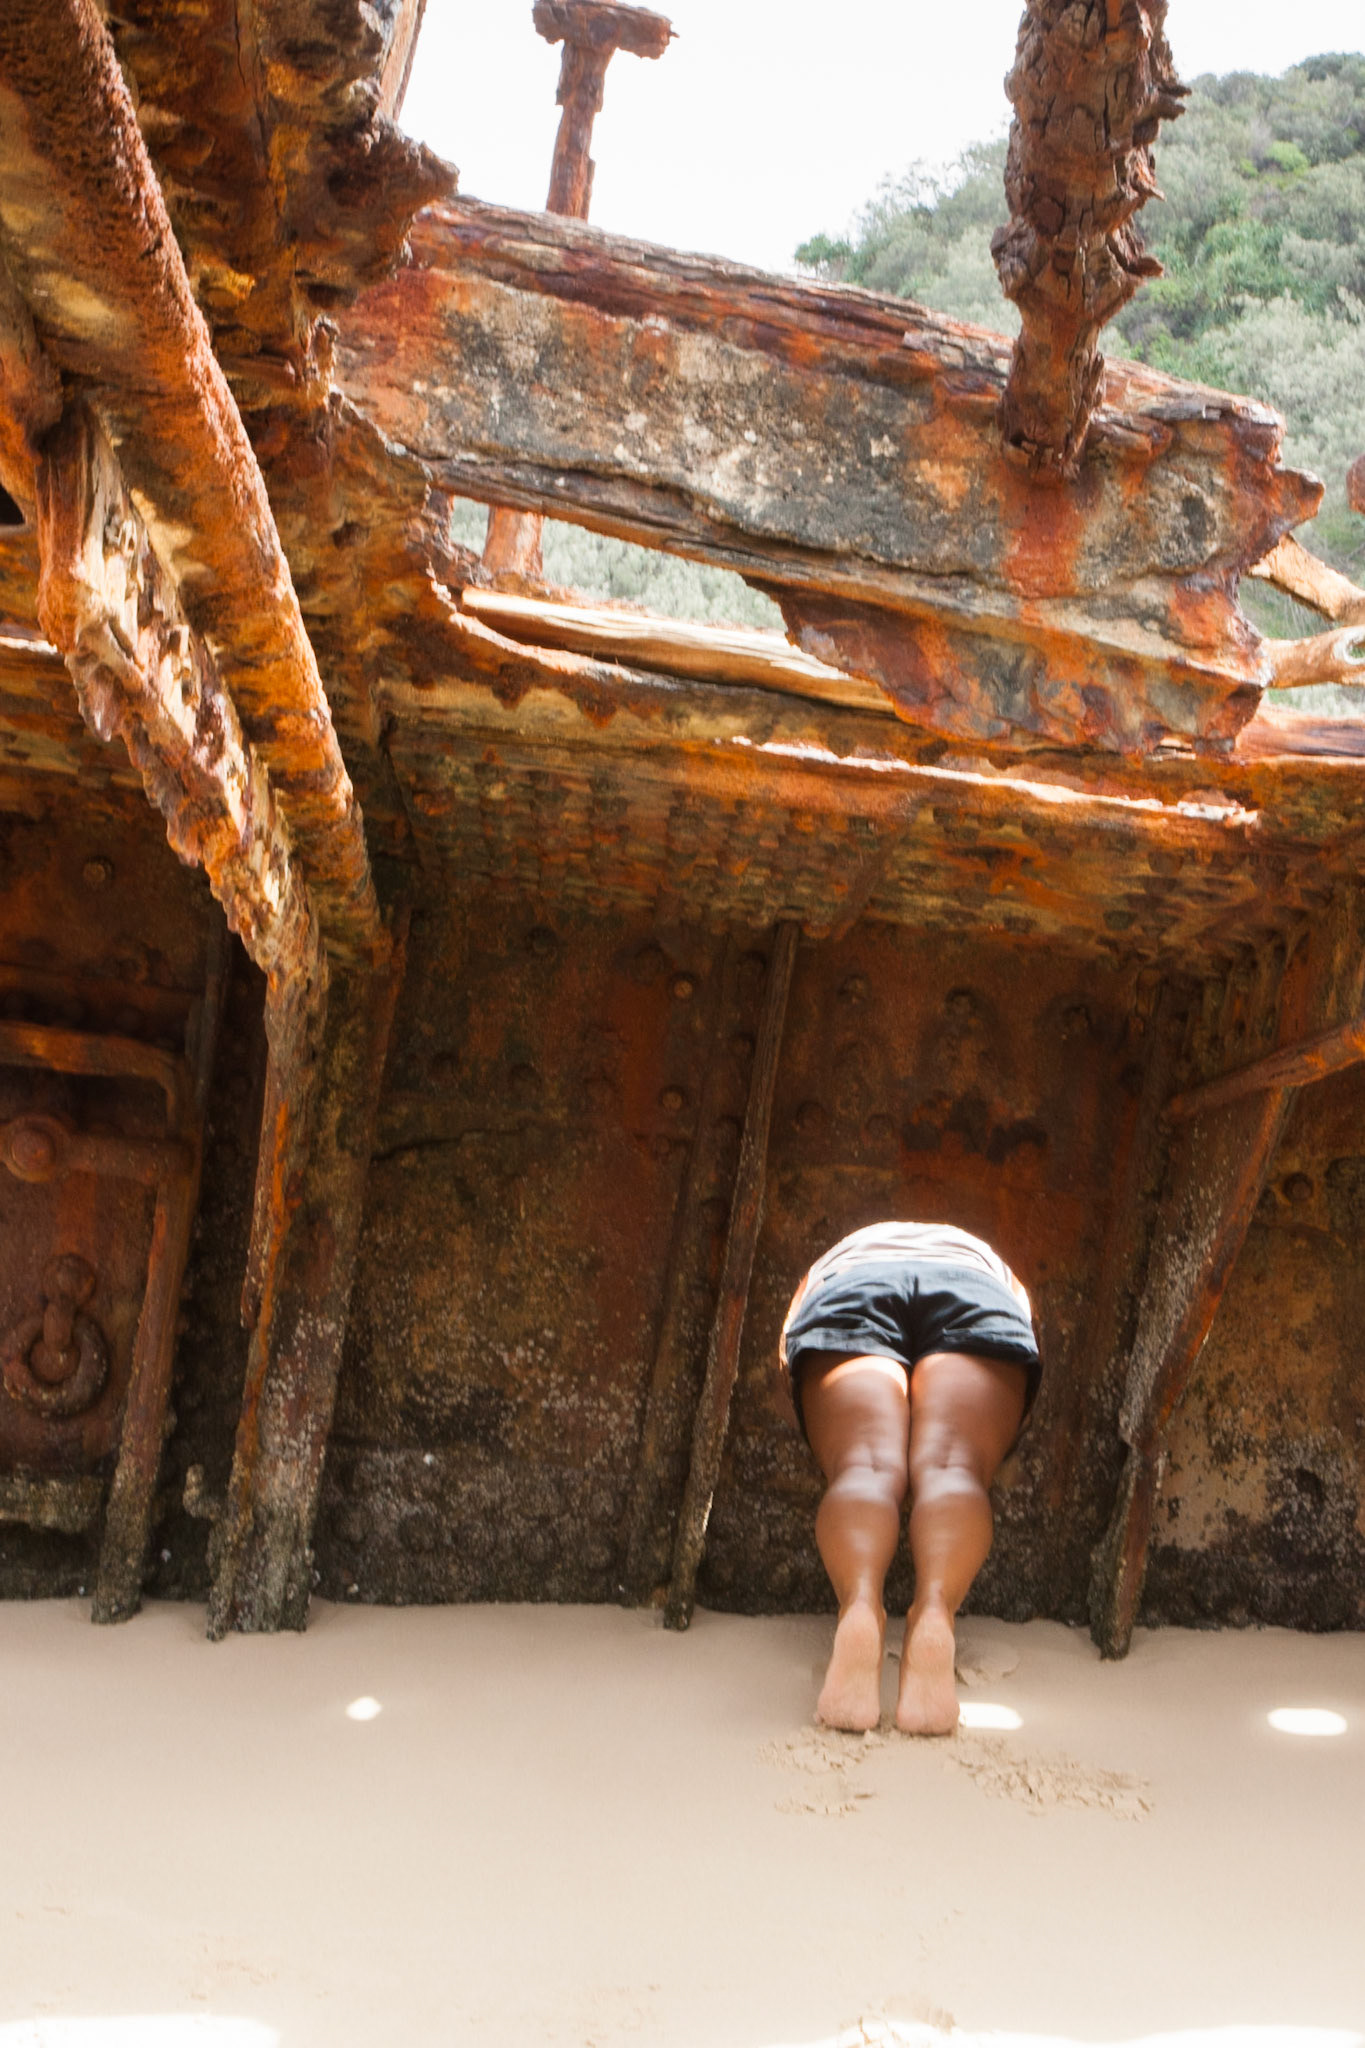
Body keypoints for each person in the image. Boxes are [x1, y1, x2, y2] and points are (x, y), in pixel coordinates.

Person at [779, 1221, 1041, 1735]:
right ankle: (934, 1612)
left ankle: (859, 1605)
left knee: (864, 1465)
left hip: (851, 1285)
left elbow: (790, 1336)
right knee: (953, 1466)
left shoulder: (835, 1257)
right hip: (977, 1290)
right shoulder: (988, 1258)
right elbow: (1023, 1311)